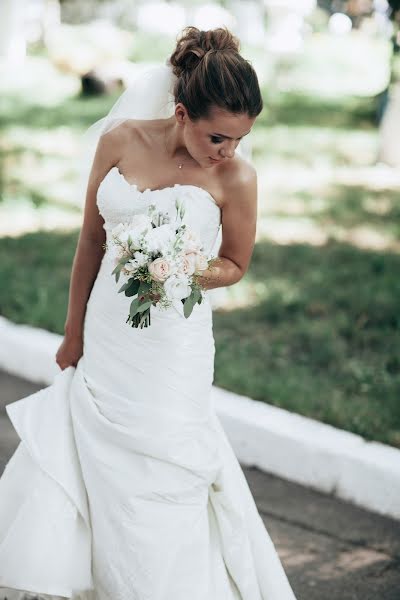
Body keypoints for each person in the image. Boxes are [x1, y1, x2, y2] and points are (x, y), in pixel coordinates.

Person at [0, 26, 298, 600]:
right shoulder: (120, 140)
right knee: (99, 465)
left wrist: (185, 266)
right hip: (110, 332)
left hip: (174, 347)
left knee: (162, 470)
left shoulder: (238, 178)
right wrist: (73, 332)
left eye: (240, 139)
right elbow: (91, 240)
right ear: (182, 113)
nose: (228, 151)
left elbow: (235, 263)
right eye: (218, 138)